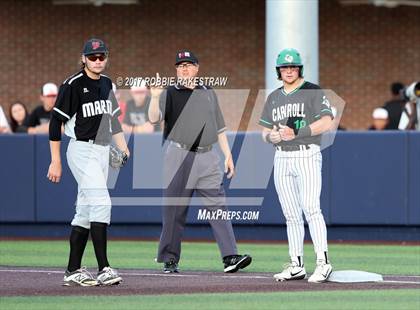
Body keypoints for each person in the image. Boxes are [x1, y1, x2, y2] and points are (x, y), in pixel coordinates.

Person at [148, 50, 252, 274]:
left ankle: (230, 257)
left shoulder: (207, 92)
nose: (184, 69)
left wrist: (228, 155)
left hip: (207, 155)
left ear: (197, 68)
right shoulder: (169, 92)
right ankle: (169, 259)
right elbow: (154, 119)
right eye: (180, 66)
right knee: (174, 210)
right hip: (178, 154)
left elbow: (220, 127)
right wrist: (155, 97)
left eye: (188, 65)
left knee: (218, 207)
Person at [47, 38, 129, 287]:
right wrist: (55, 161)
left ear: (106, 58)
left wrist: (124, 147)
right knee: (102, 202)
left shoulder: (107, 84)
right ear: (83, 58)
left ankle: (72, 270)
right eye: (92, 57)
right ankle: (104, 268)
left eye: (101, 56)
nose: (97, 61)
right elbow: (55, 123)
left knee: (84, 212)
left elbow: (113, 121)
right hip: (81, 150)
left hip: (103, 151)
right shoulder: (73, 84)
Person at [259, 48, 334, 283]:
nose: (289, 71)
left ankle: (323, 263)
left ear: (299, 68)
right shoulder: (274, 96)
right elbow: (264, 131)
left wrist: (297, 132)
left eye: (292, 67)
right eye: (284, 67)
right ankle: (296, 264)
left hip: (306, 154)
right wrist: (270, 137)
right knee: (291, 214)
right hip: (281, 156)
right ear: (279, 71)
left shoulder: (313, 91)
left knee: (311, 209)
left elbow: (327, 122)